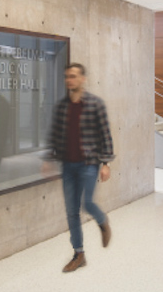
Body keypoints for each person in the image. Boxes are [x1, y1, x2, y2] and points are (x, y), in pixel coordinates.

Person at [46, 63, 114, 273]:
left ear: (83, 79)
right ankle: (79, 254)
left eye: (73, 76)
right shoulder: (61, 107)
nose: (69, 80)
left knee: (87, 203)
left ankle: (102, 221)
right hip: (68, 165)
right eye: (67, 77)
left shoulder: (95, 104)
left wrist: (106, 163)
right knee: (71, 212)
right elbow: (56, 135)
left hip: (88, 164)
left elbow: (105, 134)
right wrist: (49, 159)